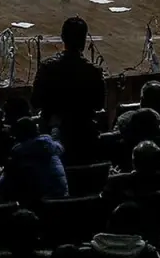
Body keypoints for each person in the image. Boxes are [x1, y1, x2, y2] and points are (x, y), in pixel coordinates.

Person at [32, 17, 105, 159]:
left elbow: (35, 102)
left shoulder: (47, 67)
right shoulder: (94, 71)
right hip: (85, 136)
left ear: (62, 38)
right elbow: (99, 104)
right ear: (84, 41)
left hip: (52, 132)